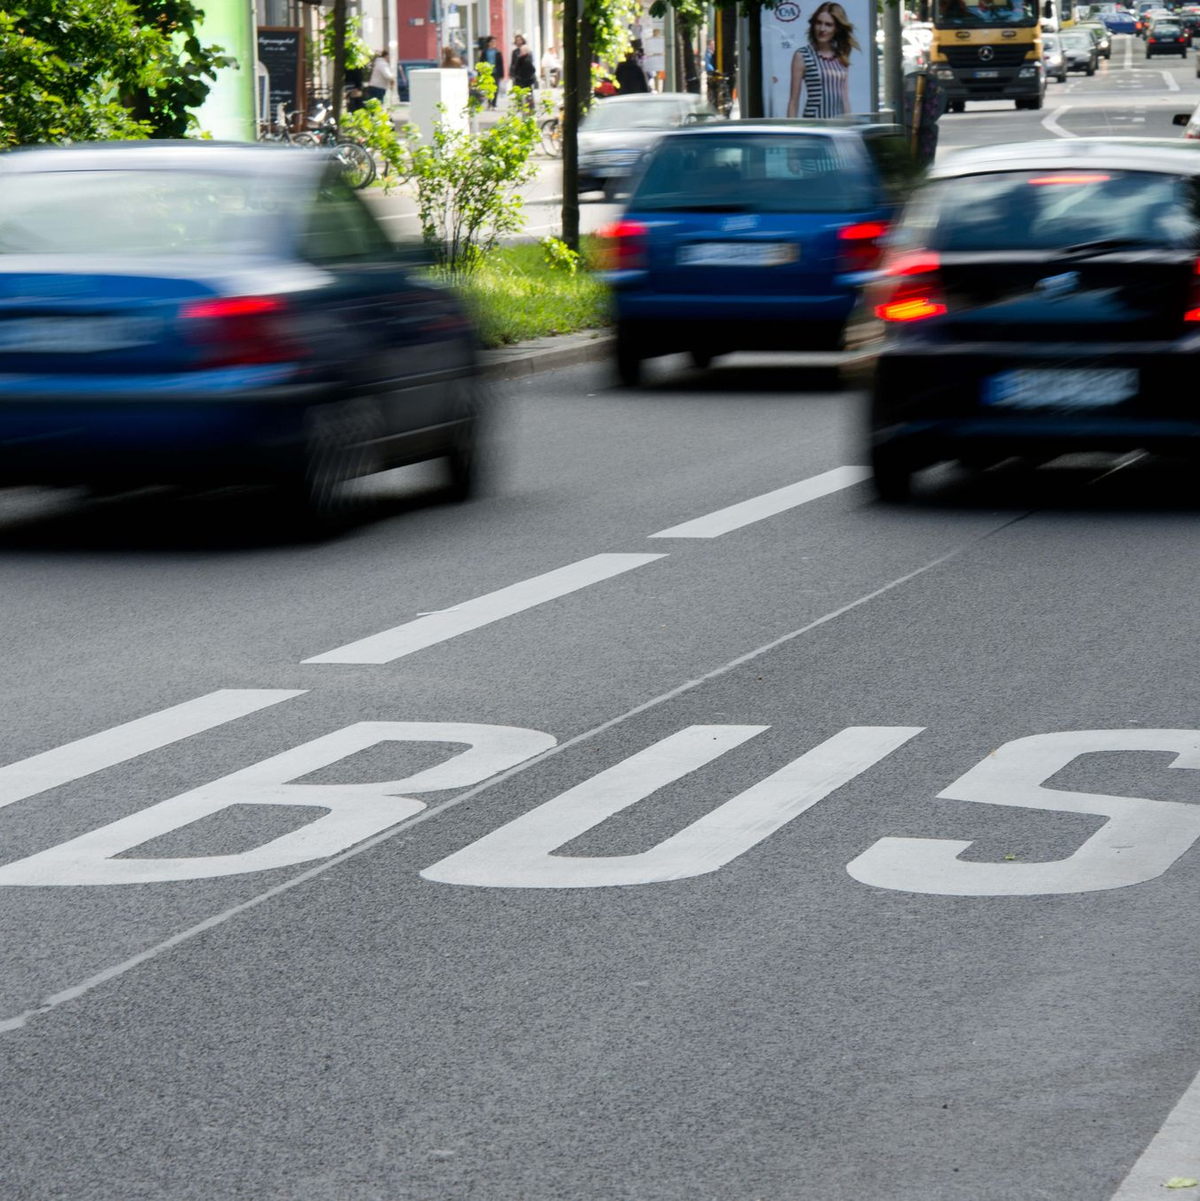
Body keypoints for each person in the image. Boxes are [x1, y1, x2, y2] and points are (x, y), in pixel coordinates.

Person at [786, 3, 859, 117]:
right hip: (814, 124)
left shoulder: (841, 55)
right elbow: (793, 101)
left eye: (828, 24)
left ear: (837, 28)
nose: (822, 29)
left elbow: (844, 98)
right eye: (819, 23)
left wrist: (850, 125)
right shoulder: (802, 55)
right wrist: (792, 132)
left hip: (838, 125)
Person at [510, 35, 538, 107]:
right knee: (518, 90)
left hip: (527, 75)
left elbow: (531, 65)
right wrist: (512, 73)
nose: (518, 41)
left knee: (528, 91)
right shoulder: (515, 52)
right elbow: (513, 63)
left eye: (520, 40)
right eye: (517, 40)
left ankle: (530, 105)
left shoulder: (528, 51)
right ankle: (519, 105)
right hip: (518, 75)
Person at [480, 35, 504, 108]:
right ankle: (489, 102)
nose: (493, 43)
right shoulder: (484, 52)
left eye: (494, 42)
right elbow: (481, 62)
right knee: (488, 88)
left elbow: (501, 64)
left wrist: (501, 75)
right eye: (492, 42)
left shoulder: (498, 52)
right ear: (488, 43)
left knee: (495, 88)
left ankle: (494, 103)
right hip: (487, 73)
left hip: (496, 72)